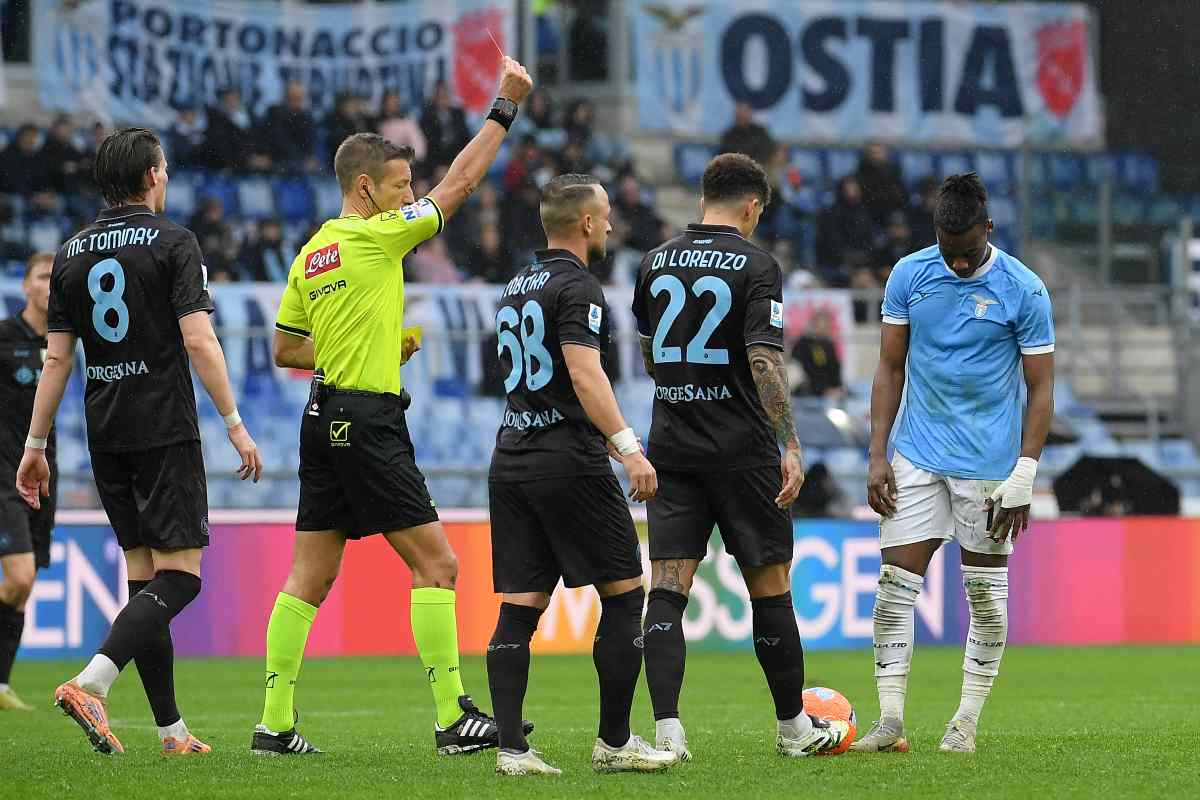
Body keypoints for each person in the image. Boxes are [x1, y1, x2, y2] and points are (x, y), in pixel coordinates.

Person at [259, 57, 535, 757]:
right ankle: (452, 717)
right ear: (364, 189)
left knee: (310, 577)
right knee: (439, 566)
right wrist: (505, 105)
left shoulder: (313, 251)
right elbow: (462, 184)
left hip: (321, 418)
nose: (410, 196)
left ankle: (274, 724)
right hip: (365, 420)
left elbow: (288, 351)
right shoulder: (375, 233)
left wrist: (371, 349)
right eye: (400, 186)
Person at [15, 127, 264, 755]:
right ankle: (92, 681)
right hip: (163, 429)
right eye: (166, 169)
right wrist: (235, 423)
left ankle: (171, 731)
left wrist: (36, 445)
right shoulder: (173, 242)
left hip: (107, 432)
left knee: (143, 577)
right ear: (152, 176)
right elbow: (200, 339)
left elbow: (56, 361)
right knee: (181, 579)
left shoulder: (71, 253)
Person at [632, 153, 849, 761]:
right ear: (752, 207)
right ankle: (792, 730)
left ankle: (669, 732)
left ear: (705, 197)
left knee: (668, 587)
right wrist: (791, 441)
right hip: (741, 449)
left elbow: (649, 353)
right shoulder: (757, 265)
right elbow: (763, 359)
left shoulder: (654, 262)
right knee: (769, 587)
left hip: (672, 446)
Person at [854, 172, 1054, 754]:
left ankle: (964, 722)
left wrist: (1026, 471)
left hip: (990, 467)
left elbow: (1040, 389)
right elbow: (889, 369)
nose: (959, 265)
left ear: (988, 230)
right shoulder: (911, 275)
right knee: (894, 587)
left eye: (968, 254)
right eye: (949, 253)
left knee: (985, 596)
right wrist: (877, 454)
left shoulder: (1025, 290)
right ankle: (890, 720)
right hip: (917, 452)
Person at [485, 173, 676, 777]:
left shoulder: (516, 286)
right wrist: (629, 448)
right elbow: (585, 373)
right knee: (624, 594)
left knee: (519, 607)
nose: (614, 225)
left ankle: (512, 749)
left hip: (512, 455)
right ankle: (615, 744)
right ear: (588, 223)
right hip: (568, 458)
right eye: (608, 215)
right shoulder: (580, 286)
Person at [0, 254, 57, 712]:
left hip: (41, 474)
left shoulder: (61, 341)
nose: (50, 285)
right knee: (18, 576)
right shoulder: (4, 337)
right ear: (25, 286)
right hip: (3, 474)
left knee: (27, 580)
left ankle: (0, 685)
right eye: (42, 276)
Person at [260, 82, 320, 173]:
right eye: (293, 97)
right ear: (285, 97)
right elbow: (273, 139)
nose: (296, 100)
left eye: (299, 97)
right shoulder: (274, 115)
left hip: (298, 163)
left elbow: (310, 143)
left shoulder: (306, 119)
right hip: (275, 162)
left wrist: (309, 157)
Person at [420, 81, 471, 169]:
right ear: (435, 98)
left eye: (445, 95)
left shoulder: (458, 114)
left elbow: (465, 136)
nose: (443, 99)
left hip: (458, 156)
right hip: (438, 162)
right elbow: (429, 145)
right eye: (440, 96)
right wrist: (437, 166)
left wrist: (463, 155)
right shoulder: (428, 117)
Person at [718, 103, 776, 168]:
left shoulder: (760, 132)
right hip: (736, 168)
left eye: (744, 112)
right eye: (739, 112)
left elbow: (768, 150)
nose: (742, 115)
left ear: (750, 113)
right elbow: (725, 154)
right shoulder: (729, 134)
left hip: (759, 166)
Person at [375, 91, 427, 162]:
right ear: (384, 103)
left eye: (395, 100)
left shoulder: (408, 123)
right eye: (390, 100)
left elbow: (420, 149)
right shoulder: (377, 125)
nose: (393, 103)